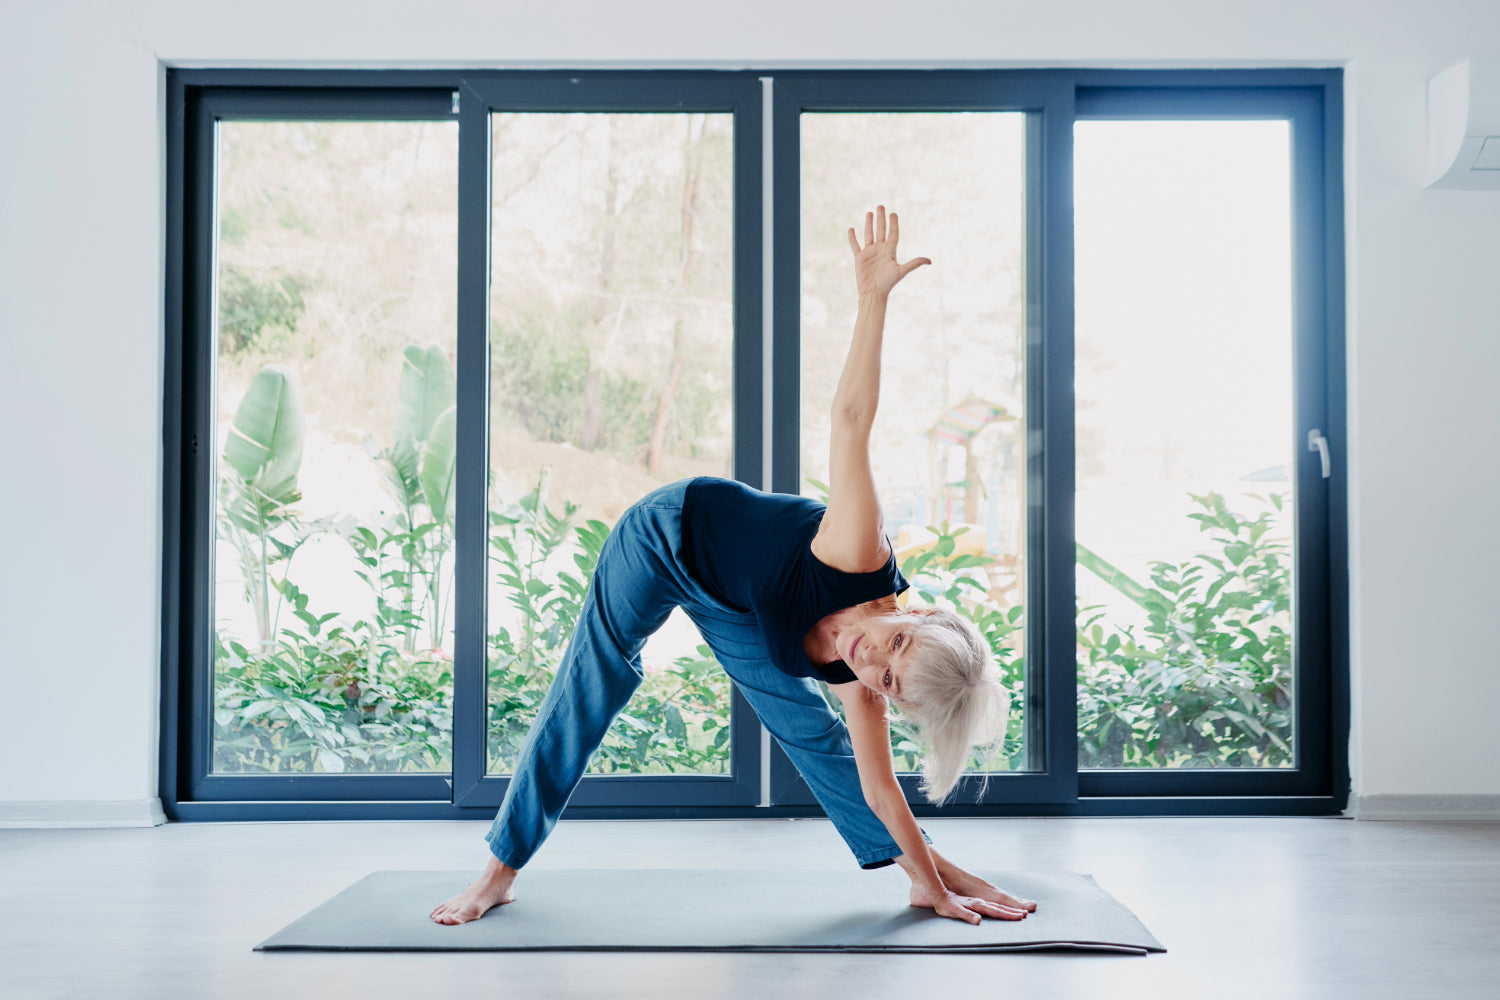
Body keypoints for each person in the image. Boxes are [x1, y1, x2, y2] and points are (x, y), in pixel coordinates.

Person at [430, 205, 1038, 927]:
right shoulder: (858, 554)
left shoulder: (865, 676)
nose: (870, 658)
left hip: (736, 602)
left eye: (887, 682)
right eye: (896, 643)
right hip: (666, 536)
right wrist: (873, 300)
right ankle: (499, 870)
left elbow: (880, 790)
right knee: (593, 679)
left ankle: (930, 870)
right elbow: (849, 420)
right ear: (918, 612)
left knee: (817, 735)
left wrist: (934, 890)